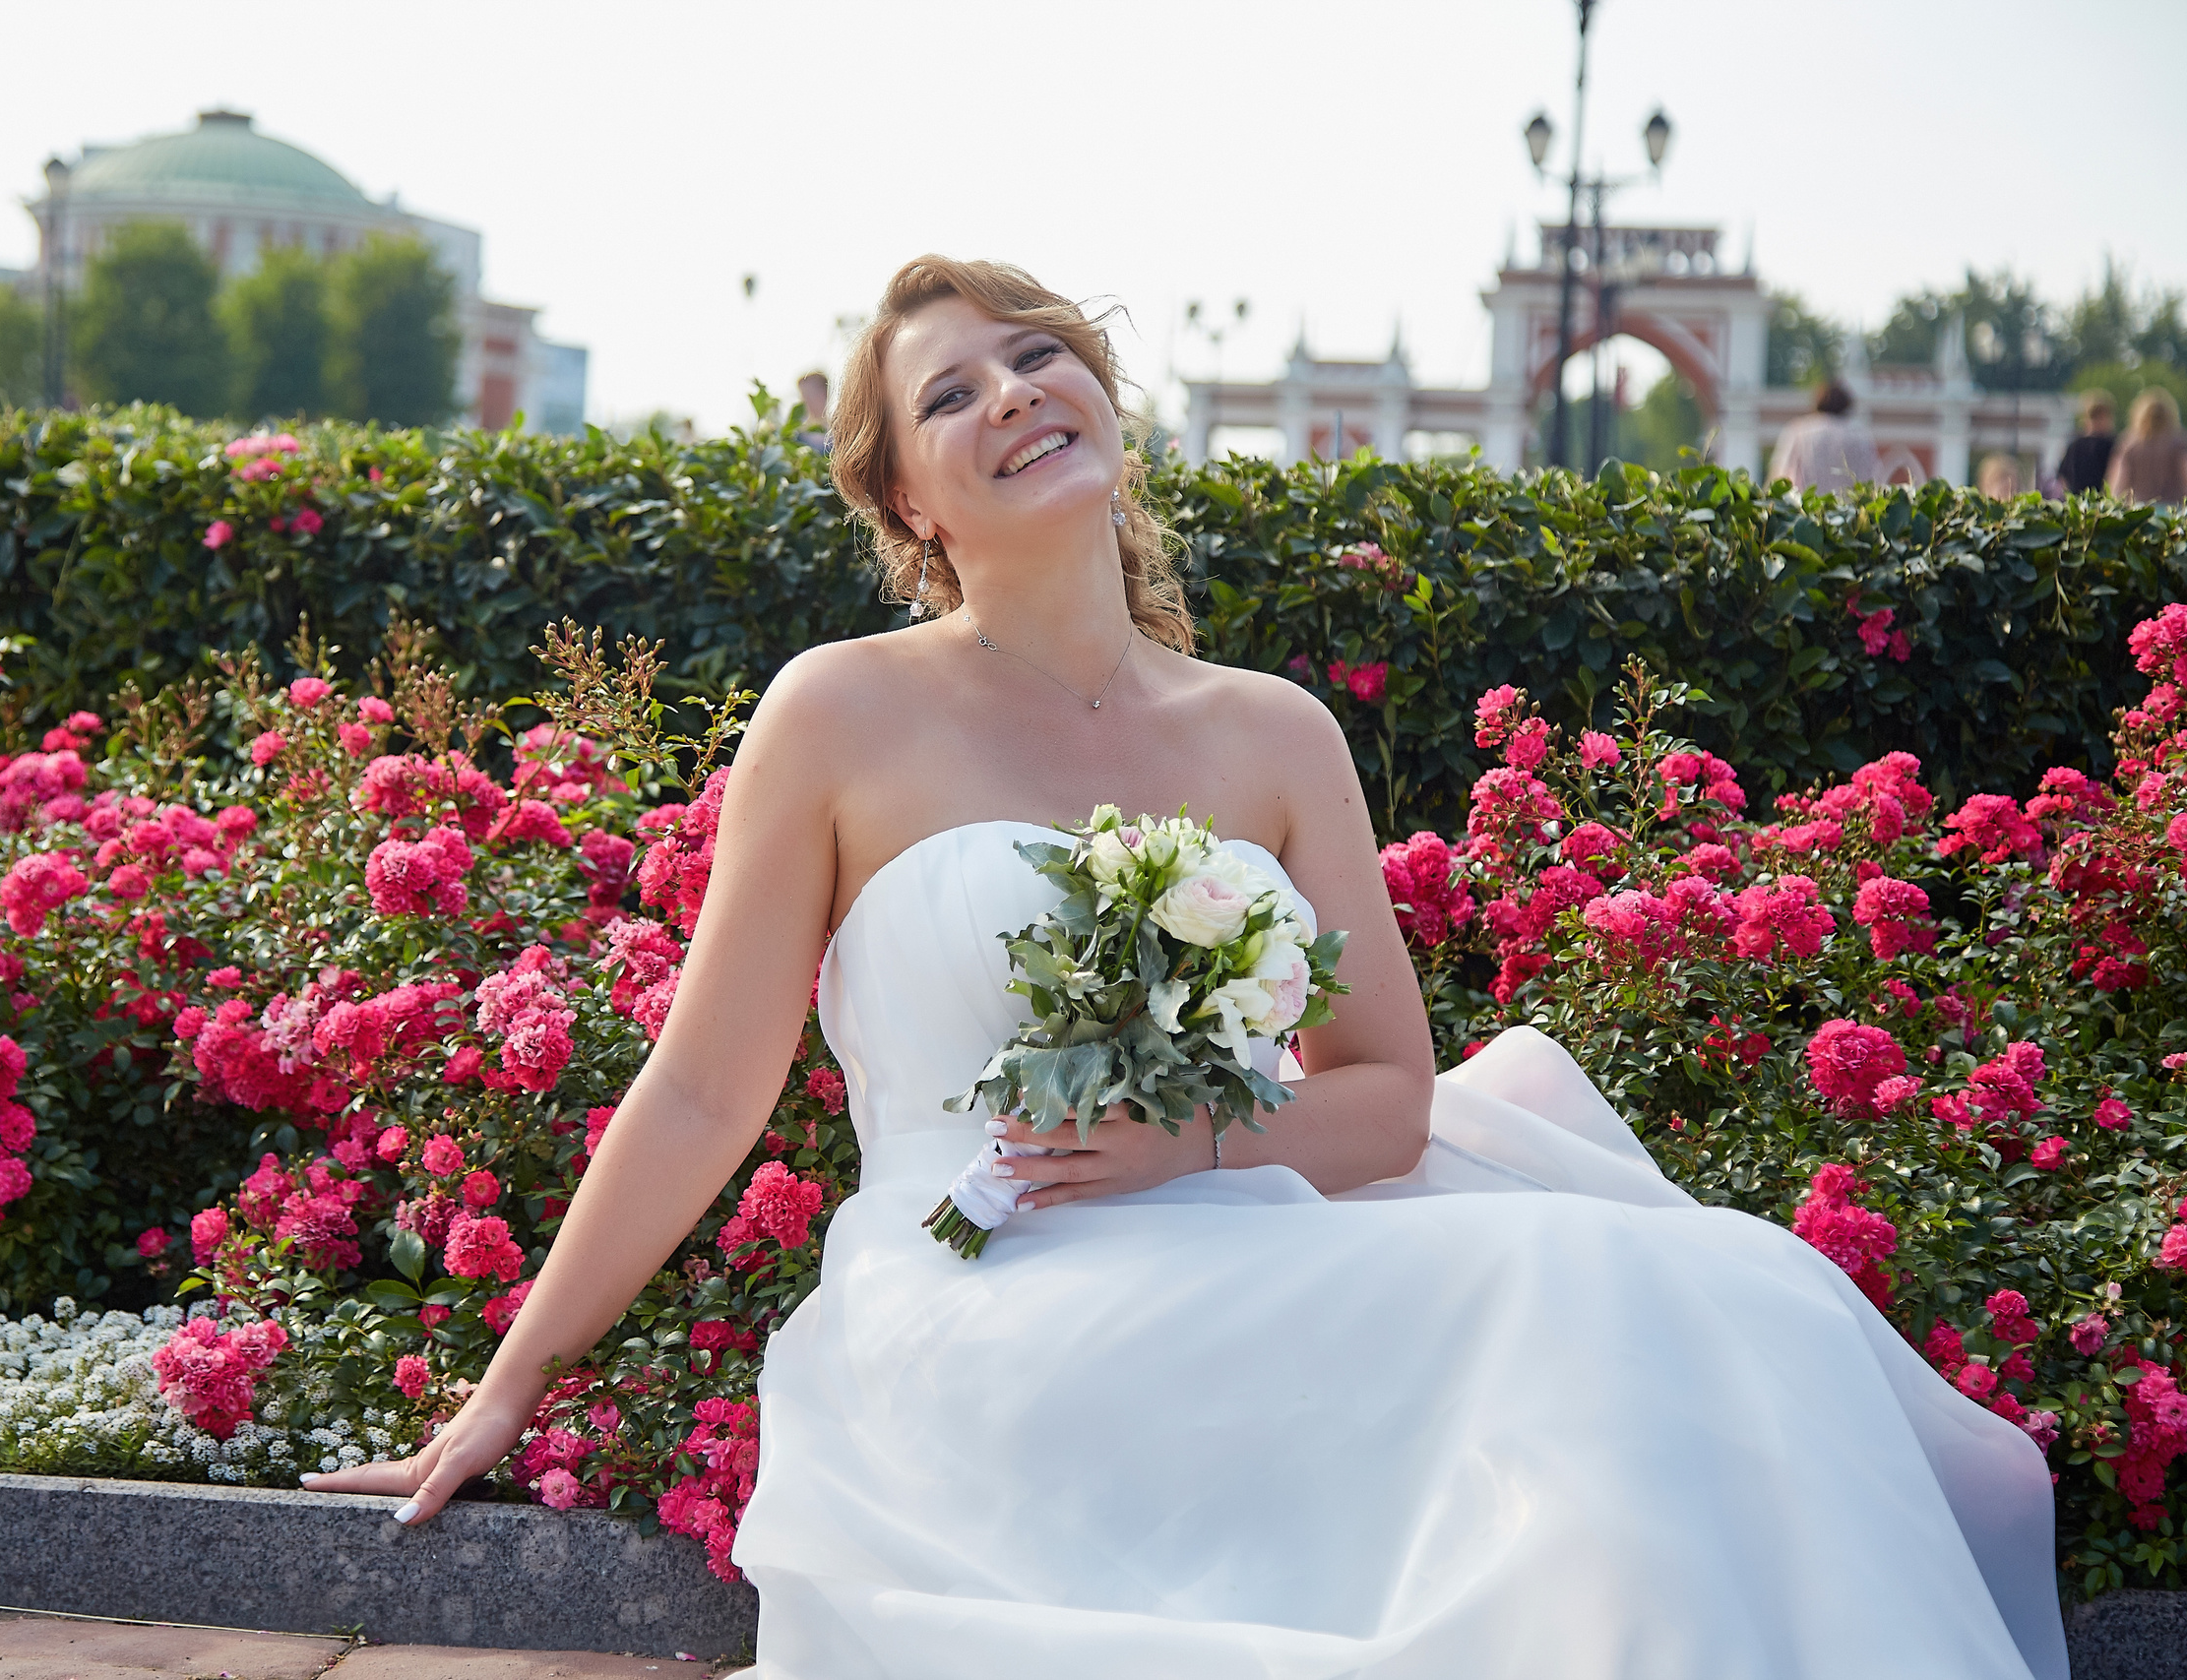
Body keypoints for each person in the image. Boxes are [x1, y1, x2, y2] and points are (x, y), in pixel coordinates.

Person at [305, 257, 2065, 1680]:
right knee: (1589, 1315)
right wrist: (511, 1382)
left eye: (1037, 355)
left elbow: (1385, 1092)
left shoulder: (1271, 733)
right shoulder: (838, 713)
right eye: (950, 392)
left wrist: (1195, 1146)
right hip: (986, 1294)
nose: (1011, 394)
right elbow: (704, 1084)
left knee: (1715, 1297)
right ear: (906, 500)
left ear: (1102, 402)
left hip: (1248, 1235)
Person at [1768, 379, 1882, 493]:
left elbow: (1781, 476)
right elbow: (1873, 479)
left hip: (1808, 507)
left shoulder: (1799, 431)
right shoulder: (1861, 437)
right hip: (1850, 507)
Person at [2109, 388, 2187, 507]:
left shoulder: (2130, 444)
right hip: (2173, 509)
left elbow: (2119, 484)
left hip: (2141, 511)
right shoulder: (2178, 443)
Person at [2055, 390, 2117, 496]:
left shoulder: (2074, 445)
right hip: (2102, 503)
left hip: (2079, 503)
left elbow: (2062, 478)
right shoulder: (2113, 446)